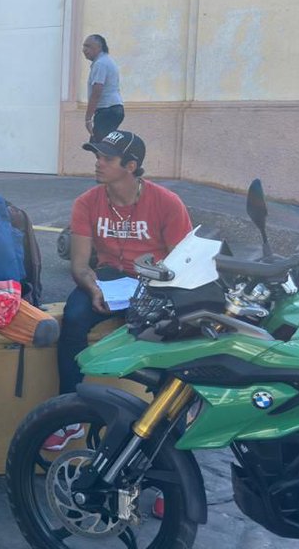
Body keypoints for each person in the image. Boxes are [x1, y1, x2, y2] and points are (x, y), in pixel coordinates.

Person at [49, 130, 192, 450]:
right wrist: (92, 288)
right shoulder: (87, 202)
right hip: (108, 277)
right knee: (73, 318)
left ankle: (167, 420)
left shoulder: (166, 203)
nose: (98, 164)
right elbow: (80, 264)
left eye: (107, 159)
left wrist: (154, 288)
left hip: (155, 279)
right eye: (97, 157)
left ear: (131, 165)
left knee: (166, 332)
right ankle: (68, 414)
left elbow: (183, 262)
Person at [83, 34, 124, 141]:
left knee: (100, 145)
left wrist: (88, 119)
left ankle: (122, 157)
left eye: (88, 46)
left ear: (99, 47)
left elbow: (97, 91)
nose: (84, 50)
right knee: (102, 144)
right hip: (113, 109)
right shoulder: (106, 61)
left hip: (107, 110)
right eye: (84, 46)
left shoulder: (100, 64)